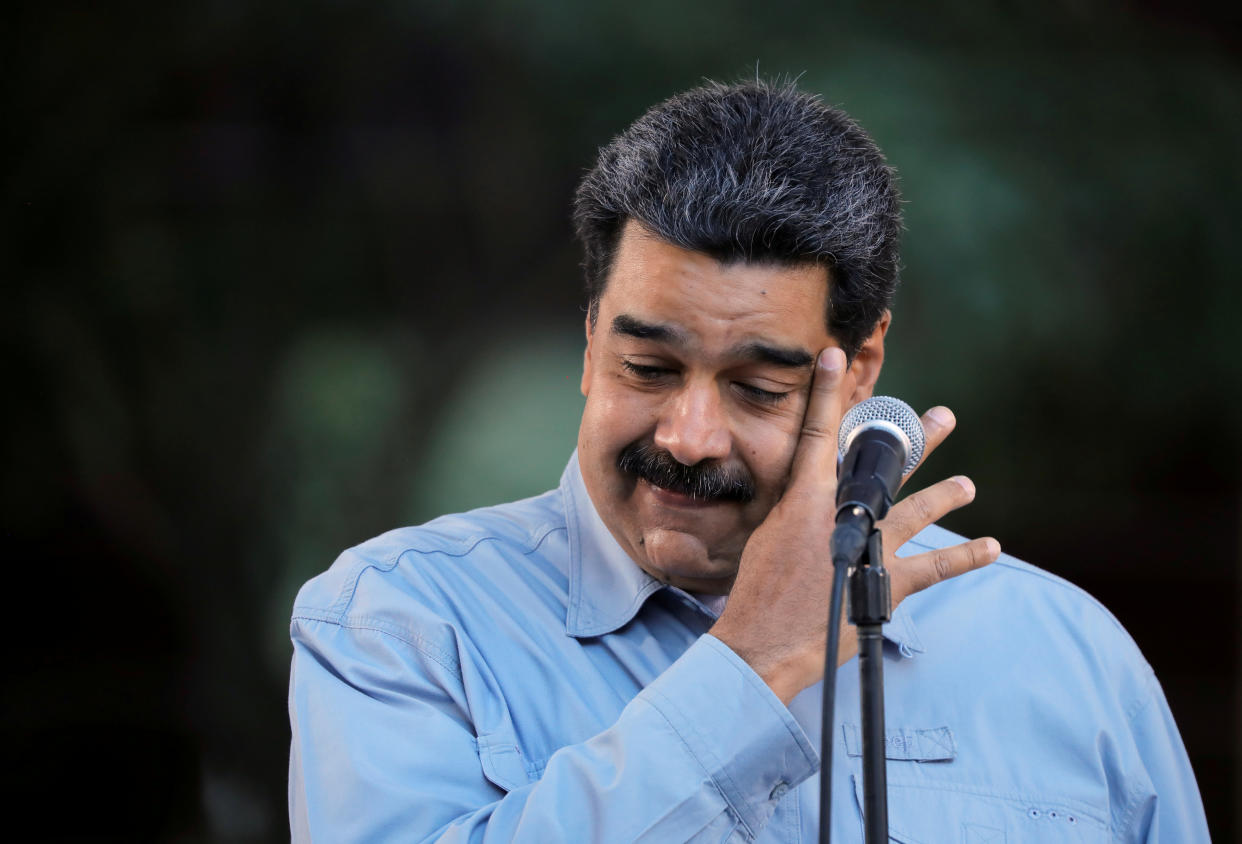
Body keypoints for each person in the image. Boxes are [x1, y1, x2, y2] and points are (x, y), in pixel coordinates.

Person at [287, 80, 1209, 842]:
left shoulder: (1063, 654)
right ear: (587, 345)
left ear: (862, 370)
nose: (688, 436)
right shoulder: (399, 626)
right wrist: (752, 664)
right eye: (646, 368)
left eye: (757, 388)